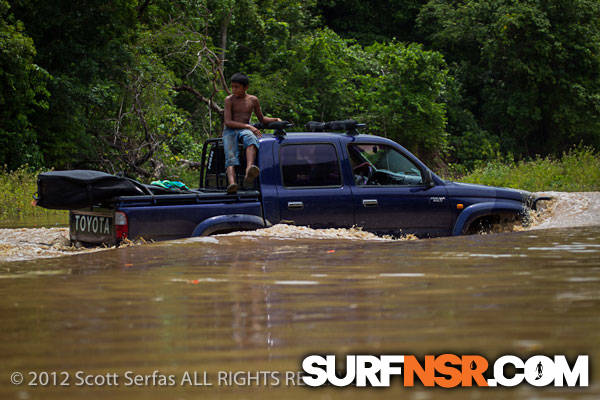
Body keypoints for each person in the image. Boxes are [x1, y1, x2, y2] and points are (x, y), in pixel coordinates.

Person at [223, 72, 281, 194]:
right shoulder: (229, 100)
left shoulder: (253, 100)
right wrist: (249, 126)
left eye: (237, 87)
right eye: (232, 86)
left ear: (246, 87)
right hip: (231, 129)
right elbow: (228, 122)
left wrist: (275, 120)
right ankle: (232, 183)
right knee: (230, 155)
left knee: (251, 140)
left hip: (245, 129)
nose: (233, 89)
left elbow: (262, 119)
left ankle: (249, 169)